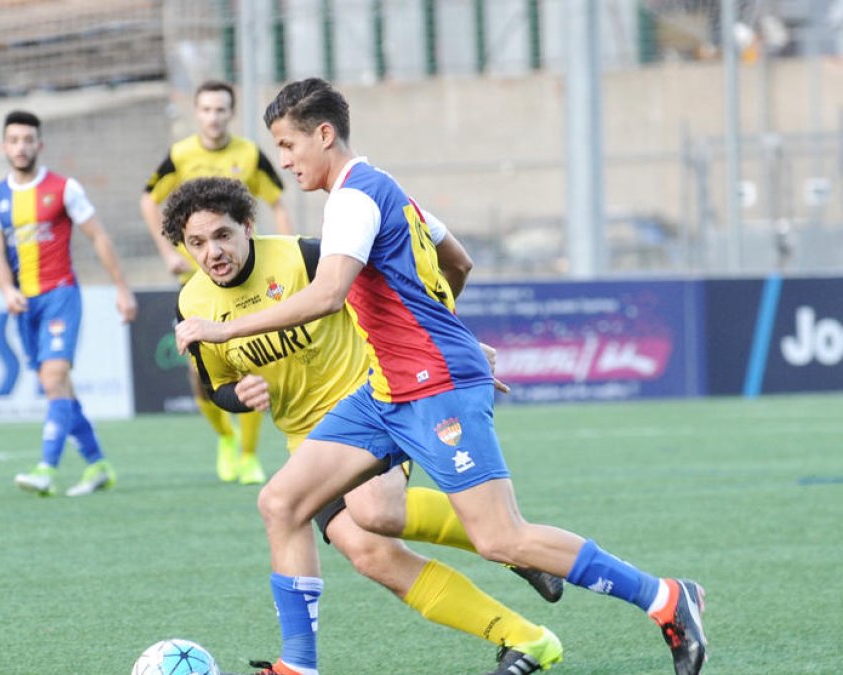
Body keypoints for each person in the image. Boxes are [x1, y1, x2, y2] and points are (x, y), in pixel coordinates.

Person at [175, 79, 708, 675]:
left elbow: (328, 297)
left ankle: (664, 597)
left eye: (289, 144)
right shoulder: (392, 193)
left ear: (324, 134)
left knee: (501, 538)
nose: (286, 160)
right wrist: (443, 332)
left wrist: (223, 332)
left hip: (431, 388)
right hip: (385, 390)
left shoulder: (352, 199)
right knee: (281, 502)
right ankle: (299, 666)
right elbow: (458, 262)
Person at [164, 176, 564, 674]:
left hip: (373, 403)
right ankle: (524, 636)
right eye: (196, 243)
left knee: (374, 508)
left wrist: (450, 346)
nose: (212, 252)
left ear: (248, 225)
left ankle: (507, 540)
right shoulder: (191, 304)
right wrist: (238, 396)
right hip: (308, 439)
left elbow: (400, 295)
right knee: (372, 554)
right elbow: (215, 383)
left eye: (222, 235)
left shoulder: (306, 258)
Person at [140, 80, 294, 486]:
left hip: (250, 277)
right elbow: (148, 199)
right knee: (200, 373)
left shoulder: (249, 154)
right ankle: (225, 438)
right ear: (197, 113)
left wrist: (282, 246)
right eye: (206, 109)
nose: (214, 117)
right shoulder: (180, 155)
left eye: (221, 109)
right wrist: (168, 252)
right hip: (197, 284)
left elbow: (277, 201)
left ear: (231, 112)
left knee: (253, 361)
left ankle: (246, 455)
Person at [0, 109, 138, 497]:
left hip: (60, 295)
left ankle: (46, 470)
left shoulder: (63, 188)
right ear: (5, 146)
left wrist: (122, 287)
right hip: (24, 306)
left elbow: (99, 237)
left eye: (28, 140)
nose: (21, 147)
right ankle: (98, 464)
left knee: (53, 379)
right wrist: (6, 289)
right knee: (59, 387)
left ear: (40, 145)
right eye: (14, 140)